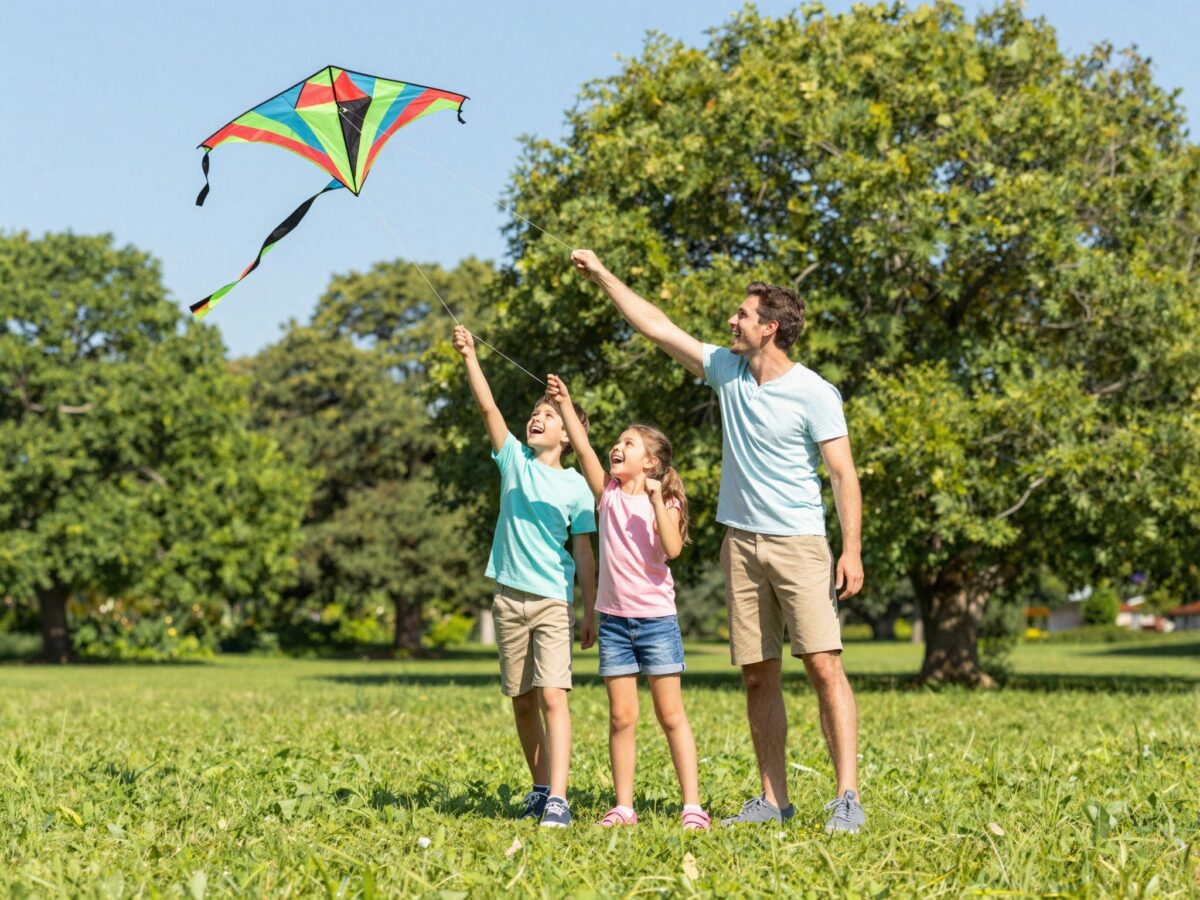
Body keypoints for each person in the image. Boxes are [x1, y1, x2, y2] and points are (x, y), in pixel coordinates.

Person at [569, 250, 866, 834]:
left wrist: (850, 549)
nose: (731, 322)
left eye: (742, 315)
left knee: (824, 667)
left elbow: (842, 474)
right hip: (742, 545)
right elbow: (655, 325)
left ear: (769, 328)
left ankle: (847, 797)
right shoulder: (726, 372)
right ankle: (772, 799)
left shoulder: (815, 393)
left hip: (801, 544)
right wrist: (605, 275)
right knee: (758, 673)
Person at [546, 374, 710, 831]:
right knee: (621, 716)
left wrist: (658, 498)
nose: (617, 447)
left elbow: (672, 550)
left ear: (650, 461)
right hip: (615, 623)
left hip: (657, 621)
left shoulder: (668, 500)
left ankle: (692, 805)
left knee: (671, 715)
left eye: (629, 444)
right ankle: (623, 806)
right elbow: (582, 448)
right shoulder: (608, 495)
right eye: (617, 442)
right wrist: (566, 403)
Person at [452, 325, 597, 828]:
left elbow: (583, 551)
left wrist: (590, 608)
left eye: (549, 415)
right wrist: (470, 355)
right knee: (522, 700)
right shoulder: (513, 460)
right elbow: (490, 409)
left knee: (554, 695)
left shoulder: (579, 489)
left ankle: (559, 798)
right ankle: (539, 788)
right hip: (508, 600)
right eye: (535, 414)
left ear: (567, 436)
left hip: (554, 603)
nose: (537, 418)